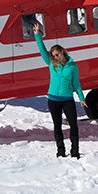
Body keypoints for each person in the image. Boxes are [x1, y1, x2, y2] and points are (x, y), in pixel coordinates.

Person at [33, 23, 87, 158]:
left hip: (67, 100)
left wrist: (81, 98)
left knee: (73, 125)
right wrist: (37, 35)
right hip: (53, 100)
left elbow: (77, 84)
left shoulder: (72, 66)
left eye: (57, 55)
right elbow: (42, 50)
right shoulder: (52, 64)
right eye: (53, 56)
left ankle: (75, 151)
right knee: (57, 126)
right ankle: (60, 150)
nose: (55, 57)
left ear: (62, 52)